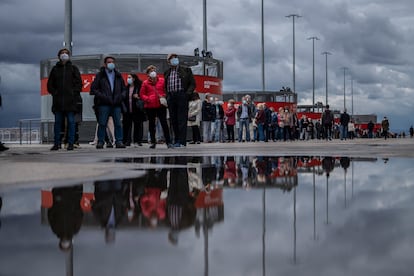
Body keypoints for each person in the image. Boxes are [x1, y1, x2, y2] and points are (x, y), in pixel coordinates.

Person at [47, 48, 82, 151]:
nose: (64, 55)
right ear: (59, 56)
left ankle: (70, 143)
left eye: (66, 53)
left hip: (70, 102)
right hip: (58, 102)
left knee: (71, 123)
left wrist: (73, 93)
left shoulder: (73, 68)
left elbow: (79, 83)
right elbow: (50, 85)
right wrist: (55, 93)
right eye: (62, 53)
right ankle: (56, 143)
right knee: (58, 123)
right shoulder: (55, 69)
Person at [90, 55, 127, 149]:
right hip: (104, 103)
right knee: (102, 123)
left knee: (118, 123)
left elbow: (124, 89)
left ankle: (119, 141)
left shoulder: (118, 75)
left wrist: (121, 96)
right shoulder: (100, 75)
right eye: (109, 62)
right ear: (105, 64)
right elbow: (94, 89)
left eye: (112, 62)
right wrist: (103, 97)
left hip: (116, 103)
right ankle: (101, 141)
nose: (111, 64)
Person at [164, 53, 196, 147]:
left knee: (182, 119)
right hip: (171, 97)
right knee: (173, 120)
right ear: (169, 62)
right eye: (171, 59)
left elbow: (192, 84)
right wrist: (167, 96)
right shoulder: (167, 72)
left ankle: (182, 141)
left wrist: (187, 94)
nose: (174, 60)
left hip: (182, 95)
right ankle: (176, 140)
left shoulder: (186, 70)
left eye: (175, 58)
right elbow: (165, 86)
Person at [140, 65, 173, 149]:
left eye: (154, 70)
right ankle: (153, 142)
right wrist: (148, 99)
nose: (153, 71)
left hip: (160, 105)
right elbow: (142, 94)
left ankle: (168, 142)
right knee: (151, 125)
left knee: (164, 123)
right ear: (148, 73)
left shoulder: (162, 81)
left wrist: (164, 96)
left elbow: (167, 90)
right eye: (151, 70)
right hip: (150, 106)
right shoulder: (145, 83)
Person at [122, 73, 145, 147]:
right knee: (127, 126)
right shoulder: (126, 88)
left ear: (134, 79)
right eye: (128, 77)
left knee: (138, 125)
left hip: (137, 109)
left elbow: (143, 96)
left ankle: (137, 141)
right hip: (128, 110)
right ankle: (126, 141)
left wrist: (138, 97)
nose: (128, 79)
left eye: (130, 77)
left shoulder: (139, 87)